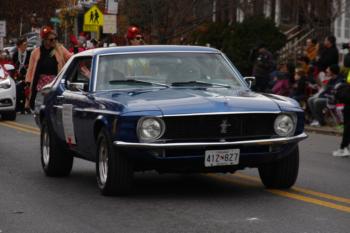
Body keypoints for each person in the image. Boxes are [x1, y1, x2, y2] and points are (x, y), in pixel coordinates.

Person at [25, 26, 72, 110]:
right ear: (45, 40)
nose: (54, 41)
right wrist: (28, 83)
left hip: (55, 84)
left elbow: (71, 58)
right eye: (51, 39)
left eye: (55, 39)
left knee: (53, 107)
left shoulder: (60, 49)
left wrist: (75, 47)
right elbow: (30, 69)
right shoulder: (35, 52)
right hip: (40, 86)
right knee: (40, 108)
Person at [12, 37, 31, 114]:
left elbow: (31, 65)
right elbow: (13, 65)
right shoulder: (15, 54)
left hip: (26, 75)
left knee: (26, 91)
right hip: (18, 75)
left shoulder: (29, 54)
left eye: (26, 44)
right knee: (18, 91)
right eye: (24, 44)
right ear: (19, 46)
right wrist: (16, 72)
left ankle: (26, 107)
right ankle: (18, 107)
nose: (25, 46)